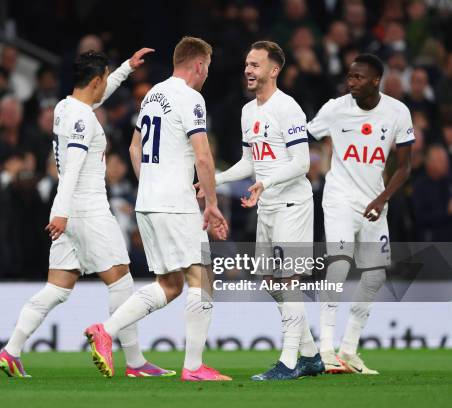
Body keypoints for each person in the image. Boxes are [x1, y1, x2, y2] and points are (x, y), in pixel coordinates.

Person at [0, 47, 174, 379]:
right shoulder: (83, 118)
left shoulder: (66, 107)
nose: (106, 84)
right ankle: (134, 362)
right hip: (86, 209)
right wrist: (60, 213)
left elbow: (95, 99)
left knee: (58, 288)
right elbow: (73, 170)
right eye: (105, 78)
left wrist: (124, 69)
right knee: (121, 279)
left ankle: (11, 349)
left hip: (71, 212)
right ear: (95, 80)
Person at [85, 36, 231, 382]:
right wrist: (211, 203)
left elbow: (135, 148)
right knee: (202, 278)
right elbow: (203, 155)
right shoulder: (191, 98)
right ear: (198, 65)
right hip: (175, 203)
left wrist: (149, 182)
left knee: (169, 284)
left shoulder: (152, 94)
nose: (207, 75)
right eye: (207, 68)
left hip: (148, 202)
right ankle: (194, 367)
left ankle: (105, 330)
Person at [211, 40, 322, 380]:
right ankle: (310, 355)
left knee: (287, 281)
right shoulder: (248, 112)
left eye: (255, 64)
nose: (248, 69)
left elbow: (302, 163)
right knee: (271, 281)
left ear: (274, 70)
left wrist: (267, 182)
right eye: (247, 63)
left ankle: (288, 364)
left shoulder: (288, 108)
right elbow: (249, 162)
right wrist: (212, 179)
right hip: (268, 206)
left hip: (292, 204)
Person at [307, 54, 414, 374]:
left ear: (375, 80)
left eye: (358, 78)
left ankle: (349, 350)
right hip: (338, 197)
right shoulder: (335, 108)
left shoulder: (398, 112)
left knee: (375, 275)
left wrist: (382, 198)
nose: (350, 82)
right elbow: (305, 138)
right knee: (339, 263)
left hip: (374, 204)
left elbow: (405, 166)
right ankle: (325, 348)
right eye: (349, 76)